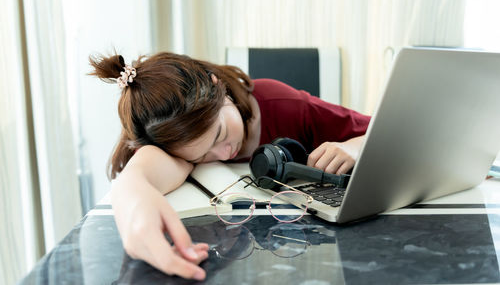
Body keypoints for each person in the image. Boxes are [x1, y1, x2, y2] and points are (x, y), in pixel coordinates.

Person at [89, 51, 370, 281]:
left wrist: (354, 147)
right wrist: (132, 187)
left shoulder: (284, 104)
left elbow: (389, 131)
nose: (224, 154)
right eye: (200, 157)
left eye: (221, 134)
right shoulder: (175, 140)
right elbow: (140, 172)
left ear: (219, 87)